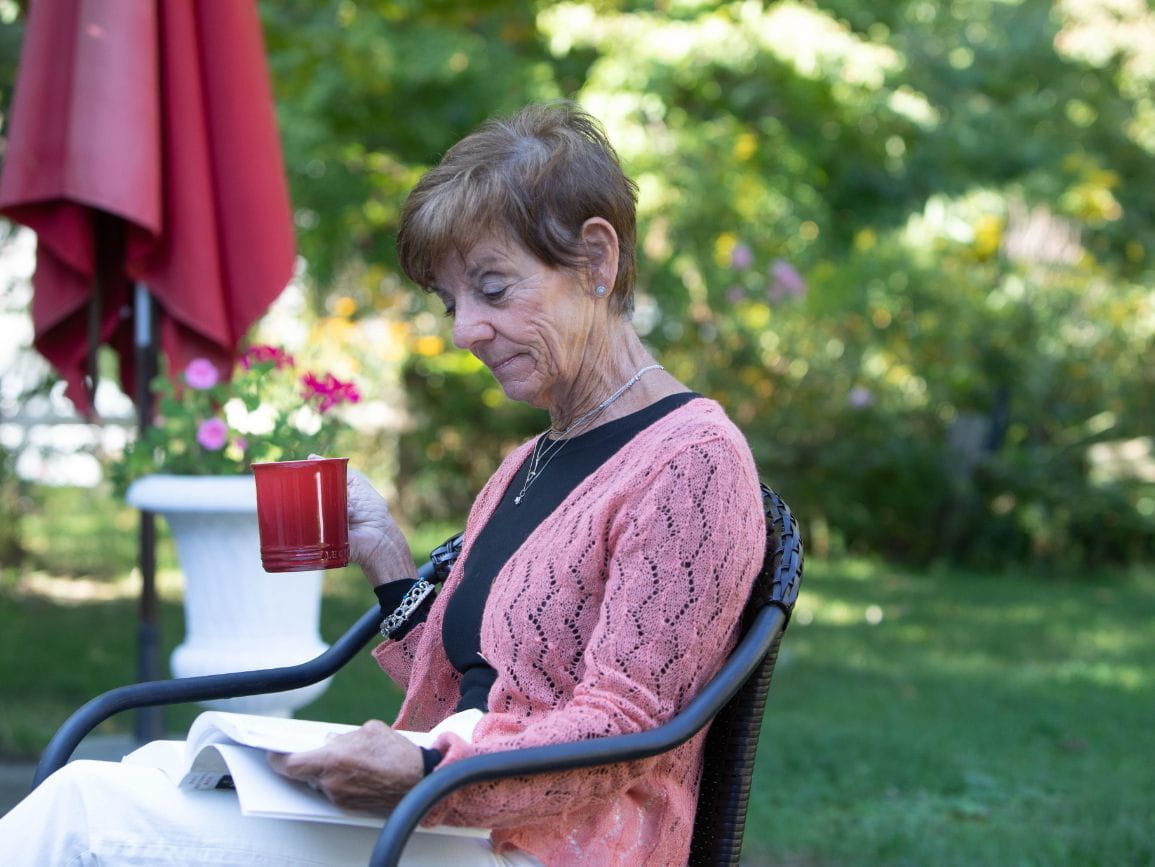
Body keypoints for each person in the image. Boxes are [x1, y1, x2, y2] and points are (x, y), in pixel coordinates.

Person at [0, 102, 766, 865]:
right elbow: (465, 681)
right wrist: (383, 554)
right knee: (140, 772)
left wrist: (428, 771)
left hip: (546, 847)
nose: (464, 330)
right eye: (451, 302)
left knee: (87, 813)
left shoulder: (691, 461)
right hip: (456, 818)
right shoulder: (529, 459)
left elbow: (623, 727)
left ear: (596, 260)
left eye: (493, 290)